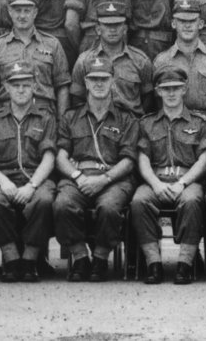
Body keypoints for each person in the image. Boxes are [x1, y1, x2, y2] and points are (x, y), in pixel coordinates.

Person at [52, 58, 139, 283]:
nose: (99, 84)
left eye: (104, 79)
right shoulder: (70, 117)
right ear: (86, 83)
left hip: (113, 178)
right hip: (78, 177)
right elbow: (61, 156)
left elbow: (129, 161)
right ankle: (80, 257)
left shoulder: (127, 118)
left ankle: (100, 258)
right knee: (62, 205)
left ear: (113, 82)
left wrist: (104, 179)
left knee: (109, 208)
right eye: (94, 79)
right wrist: (77, 176)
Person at [0, 63, 59, 283]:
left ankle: (30, 260)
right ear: (6, 87)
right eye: (16, 85)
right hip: (3, 178)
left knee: (44, 200)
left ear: (34, 86)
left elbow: (49, 158)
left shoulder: (46, 118)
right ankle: (11, 259)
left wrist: (32, 185)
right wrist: (4, 183)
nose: (21, 90)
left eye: (26, 85)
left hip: (36, 177)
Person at [128, 68, 206, 285]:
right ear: (158, 91)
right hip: (156, 179)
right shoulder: (146, 123)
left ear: (184, 89)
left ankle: (185, 264)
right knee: (139, 201)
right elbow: (143, 158)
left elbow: (204, 160)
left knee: (192, 201)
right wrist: (155, 184)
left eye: (176, 88)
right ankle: (153, 264)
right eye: (166, 89)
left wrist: (183, 183)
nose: (171, 93)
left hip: (187, 180)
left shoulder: (199, 122)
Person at [0, 0, 72, 121]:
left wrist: (61, 124)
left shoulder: (52, 45)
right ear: (10, 12)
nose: (22, 16)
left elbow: (62, 87)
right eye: (18, 10)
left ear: (35, 12)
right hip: (6, 116)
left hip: (44, 115)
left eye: (27, 11)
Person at [149, 0, 206, 118]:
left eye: (192, 21)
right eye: (182, 21)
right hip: (176, 121)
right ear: (173, 23)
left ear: (201, 24)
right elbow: (158, 99)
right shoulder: (162, 61)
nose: (187, 25)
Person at [69, 2, 154, 114]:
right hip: (97, 123)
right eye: (108, 25)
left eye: (117, 25)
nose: (113, 30)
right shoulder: (84, 61)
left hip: (131, 124)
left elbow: (148, 97)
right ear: (98, 29)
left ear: (125, 29)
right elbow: (77, 97)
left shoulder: (140, 60)